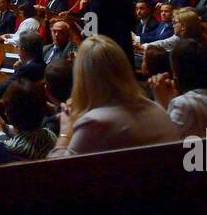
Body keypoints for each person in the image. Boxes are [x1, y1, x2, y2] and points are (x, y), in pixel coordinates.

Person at [48, 36, 179, 157]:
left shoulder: (94, 123)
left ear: (82, 77)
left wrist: (66, 130)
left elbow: (57, 172)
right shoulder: (157, 109)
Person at [0, 79, 56, 159]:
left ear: (7, 113)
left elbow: (5, 146)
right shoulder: (50, 135)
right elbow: (27, 135)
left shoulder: (13, 150)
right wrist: (5, 127)